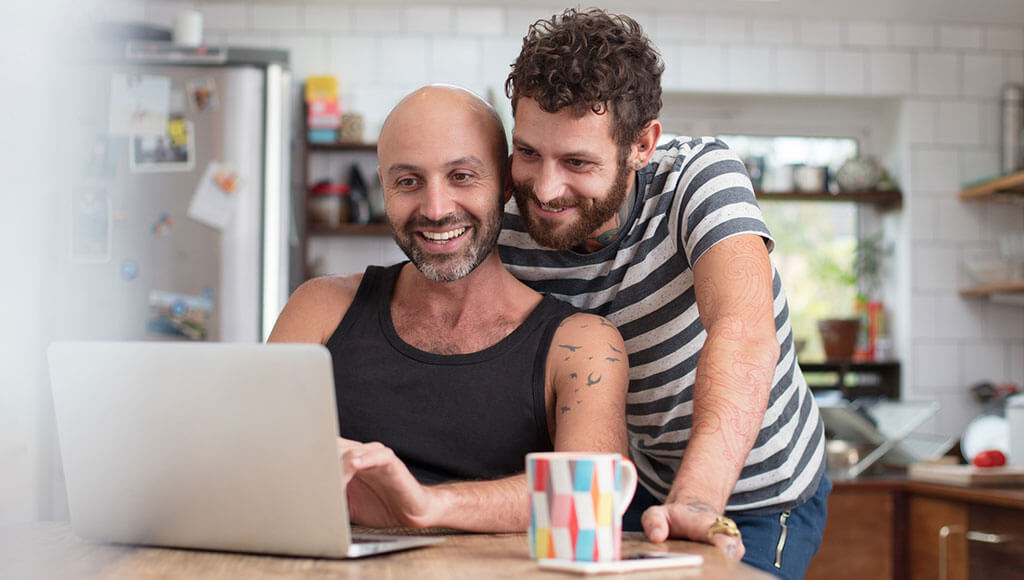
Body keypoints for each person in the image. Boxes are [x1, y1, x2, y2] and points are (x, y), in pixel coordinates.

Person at [498, 9, 828, 578]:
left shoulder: (700, 178)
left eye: (578, 162)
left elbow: (743, 334)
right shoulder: (506, 215)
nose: (545, 189)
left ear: (642, 144)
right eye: (528, 152)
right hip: (637, 485)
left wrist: (697, 501)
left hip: (758, 490)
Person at [268, 85, 628, 533]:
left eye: (461, 176)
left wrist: (425, 505)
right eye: (407, 182)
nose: (436, 209)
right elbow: (253, 463)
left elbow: (592, 505)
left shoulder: (581, 345)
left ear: (506, 184)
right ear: (383, 185)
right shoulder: (320, 309)